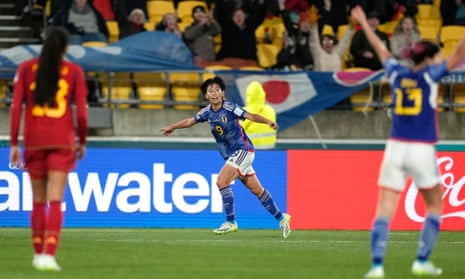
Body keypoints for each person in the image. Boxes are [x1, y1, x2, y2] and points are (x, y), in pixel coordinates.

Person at [351, 5, 465, 279]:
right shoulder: (430, 75)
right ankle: (421, 261)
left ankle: (377, 267)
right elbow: (459, 53)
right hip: (421, 148)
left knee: (384, 210)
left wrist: (364, 22)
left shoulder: (397, 73)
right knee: (435, 206)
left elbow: (380, 49)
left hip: (394, 148)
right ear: (429, 59)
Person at [160, 76, 291, 238]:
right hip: (234, 155)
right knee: (257, 190)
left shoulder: (230, 108)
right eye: (210, 91)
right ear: (206, 95)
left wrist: (268, 122)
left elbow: (251, 116)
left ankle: (230, 222)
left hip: (243, 150)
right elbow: (189, 121)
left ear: (222, 92)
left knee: (221, 181)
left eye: (217, 90)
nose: (214, 93)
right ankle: (281, 217)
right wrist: (172, 127)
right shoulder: (207, 112)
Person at [9, 26, 88, 271]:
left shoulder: (25, 69)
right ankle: (49, 255)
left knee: (38, 201)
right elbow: (82, 113)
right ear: (65, 48)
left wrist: (13, 142)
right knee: (55, 199)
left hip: (34, 141)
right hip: (61, 141)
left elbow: (16, 107)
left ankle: (36, 254)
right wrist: (82, 140)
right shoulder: (73, 71)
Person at [308, 5, 355, 72]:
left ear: (334, 42)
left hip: (335, 82)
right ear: (321, 44)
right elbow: (313, 39)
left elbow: (345, 41)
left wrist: (351, 28)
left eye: (330, 41)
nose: (327, 43)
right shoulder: (317, 52)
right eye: (324, 41)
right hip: (321, 81)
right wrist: (313, 25)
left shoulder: (338, 52)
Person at [275, 0, 314, 70]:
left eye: (308, 24)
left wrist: (303, 44)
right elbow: (287, 22)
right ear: (299, 24)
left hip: (303, 69)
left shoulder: (312, 38)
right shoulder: (293, 33)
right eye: (304, 23)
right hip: (288, 67)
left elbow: (308, 60)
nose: (306, 25)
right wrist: (288, 47)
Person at [241, 81, 277, 149]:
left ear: (248, 96)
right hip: (270, 149)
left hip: (250, 150)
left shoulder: (243, 112)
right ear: (262, 94)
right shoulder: (271, 110)